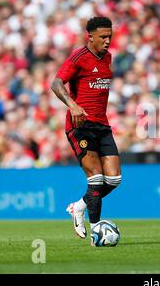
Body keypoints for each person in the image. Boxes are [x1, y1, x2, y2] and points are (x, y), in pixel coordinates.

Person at [51, 17, 122, 244]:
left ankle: (79, 207)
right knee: (96, 178)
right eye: (103, 37)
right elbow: (56, 83)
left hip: (101, 125)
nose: (108, 40)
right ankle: (96, 234)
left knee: (113, 180)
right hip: (80, 126)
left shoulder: (108, 58)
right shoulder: (79, 58)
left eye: (110, 36)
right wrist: (72, 105)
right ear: (90, 36)